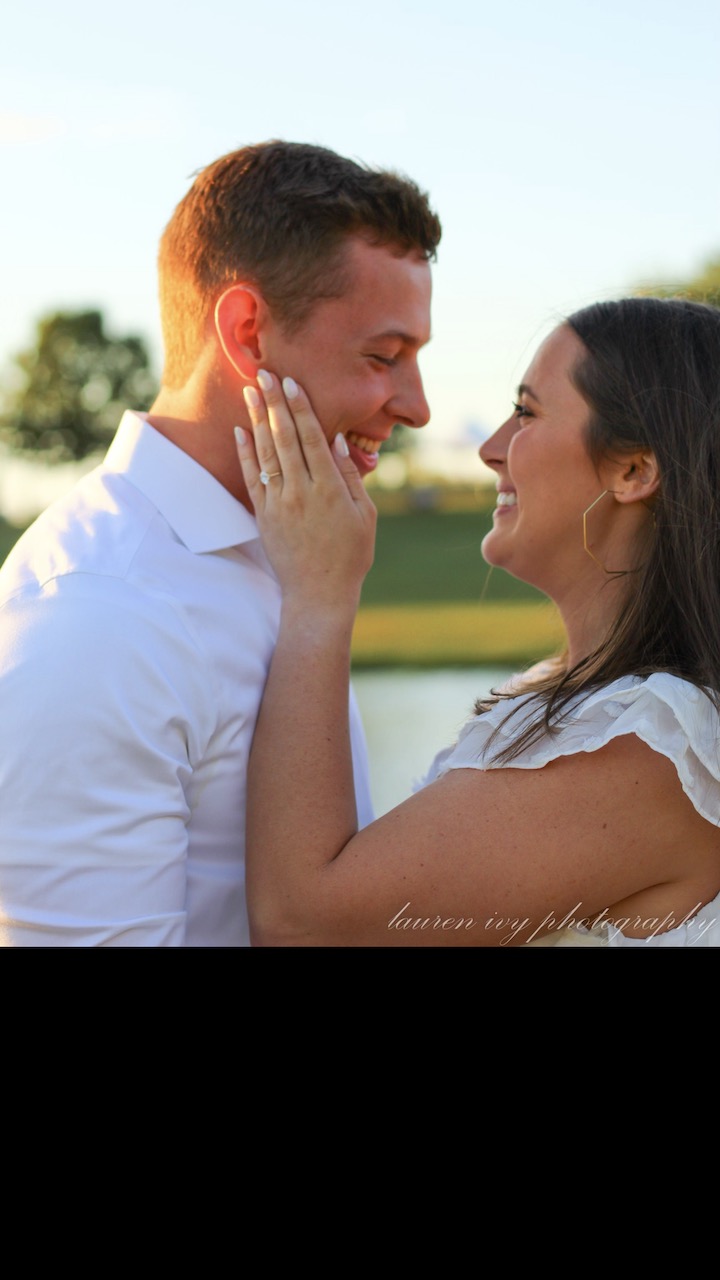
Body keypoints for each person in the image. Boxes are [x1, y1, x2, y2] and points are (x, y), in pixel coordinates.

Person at [0, 140, 441, 946]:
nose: (416, 407)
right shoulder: (99, 613)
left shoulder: (294, 557)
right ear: (247, 334)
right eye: (383, 357)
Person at [234, 295, 720, 947]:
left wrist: (318, 598)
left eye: (527, 413)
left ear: (633, 470)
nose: (493, 450)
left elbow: (305, 924)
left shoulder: (652, 748)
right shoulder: (582, 703)